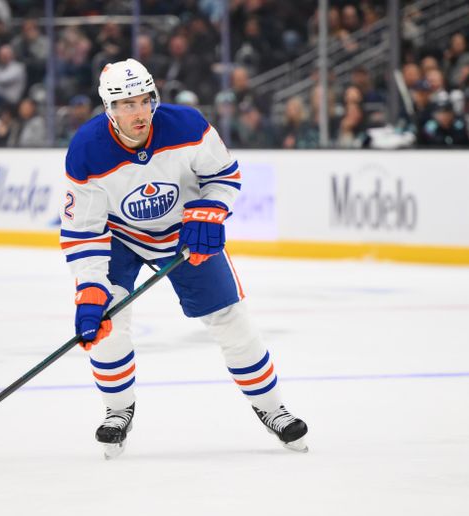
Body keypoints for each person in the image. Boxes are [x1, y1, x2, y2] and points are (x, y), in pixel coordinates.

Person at [59, 58, 308, 459]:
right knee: (107, 322)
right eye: (126, 105)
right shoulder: (86, 151)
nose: (138, 113)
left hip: (185, 235)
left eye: (143, 100)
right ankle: (118, 411)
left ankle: (273, 407)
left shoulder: (188, 126)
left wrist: (210, 210)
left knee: (231, 318)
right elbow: (83, 229)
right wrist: (90, 286)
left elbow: (224, 175)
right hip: (121, 238)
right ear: (109, 109)